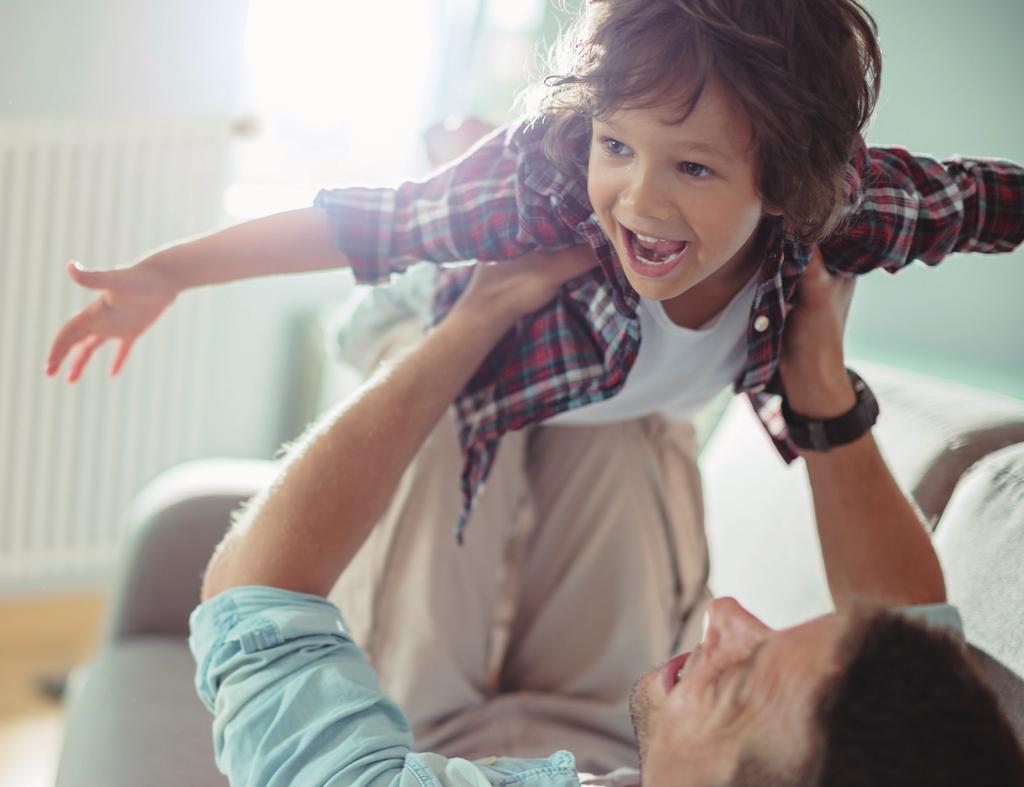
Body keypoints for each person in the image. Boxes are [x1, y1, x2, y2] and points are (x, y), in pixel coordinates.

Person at [191, 248, 1024, 786]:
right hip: (608, 724)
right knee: (622, 384)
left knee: (451, 384)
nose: (726, 615)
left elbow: (253, 602)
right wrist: (819, 381)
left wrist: (471, 322)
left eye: (737, 680)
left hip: (416, 723)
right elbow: (922, 634)